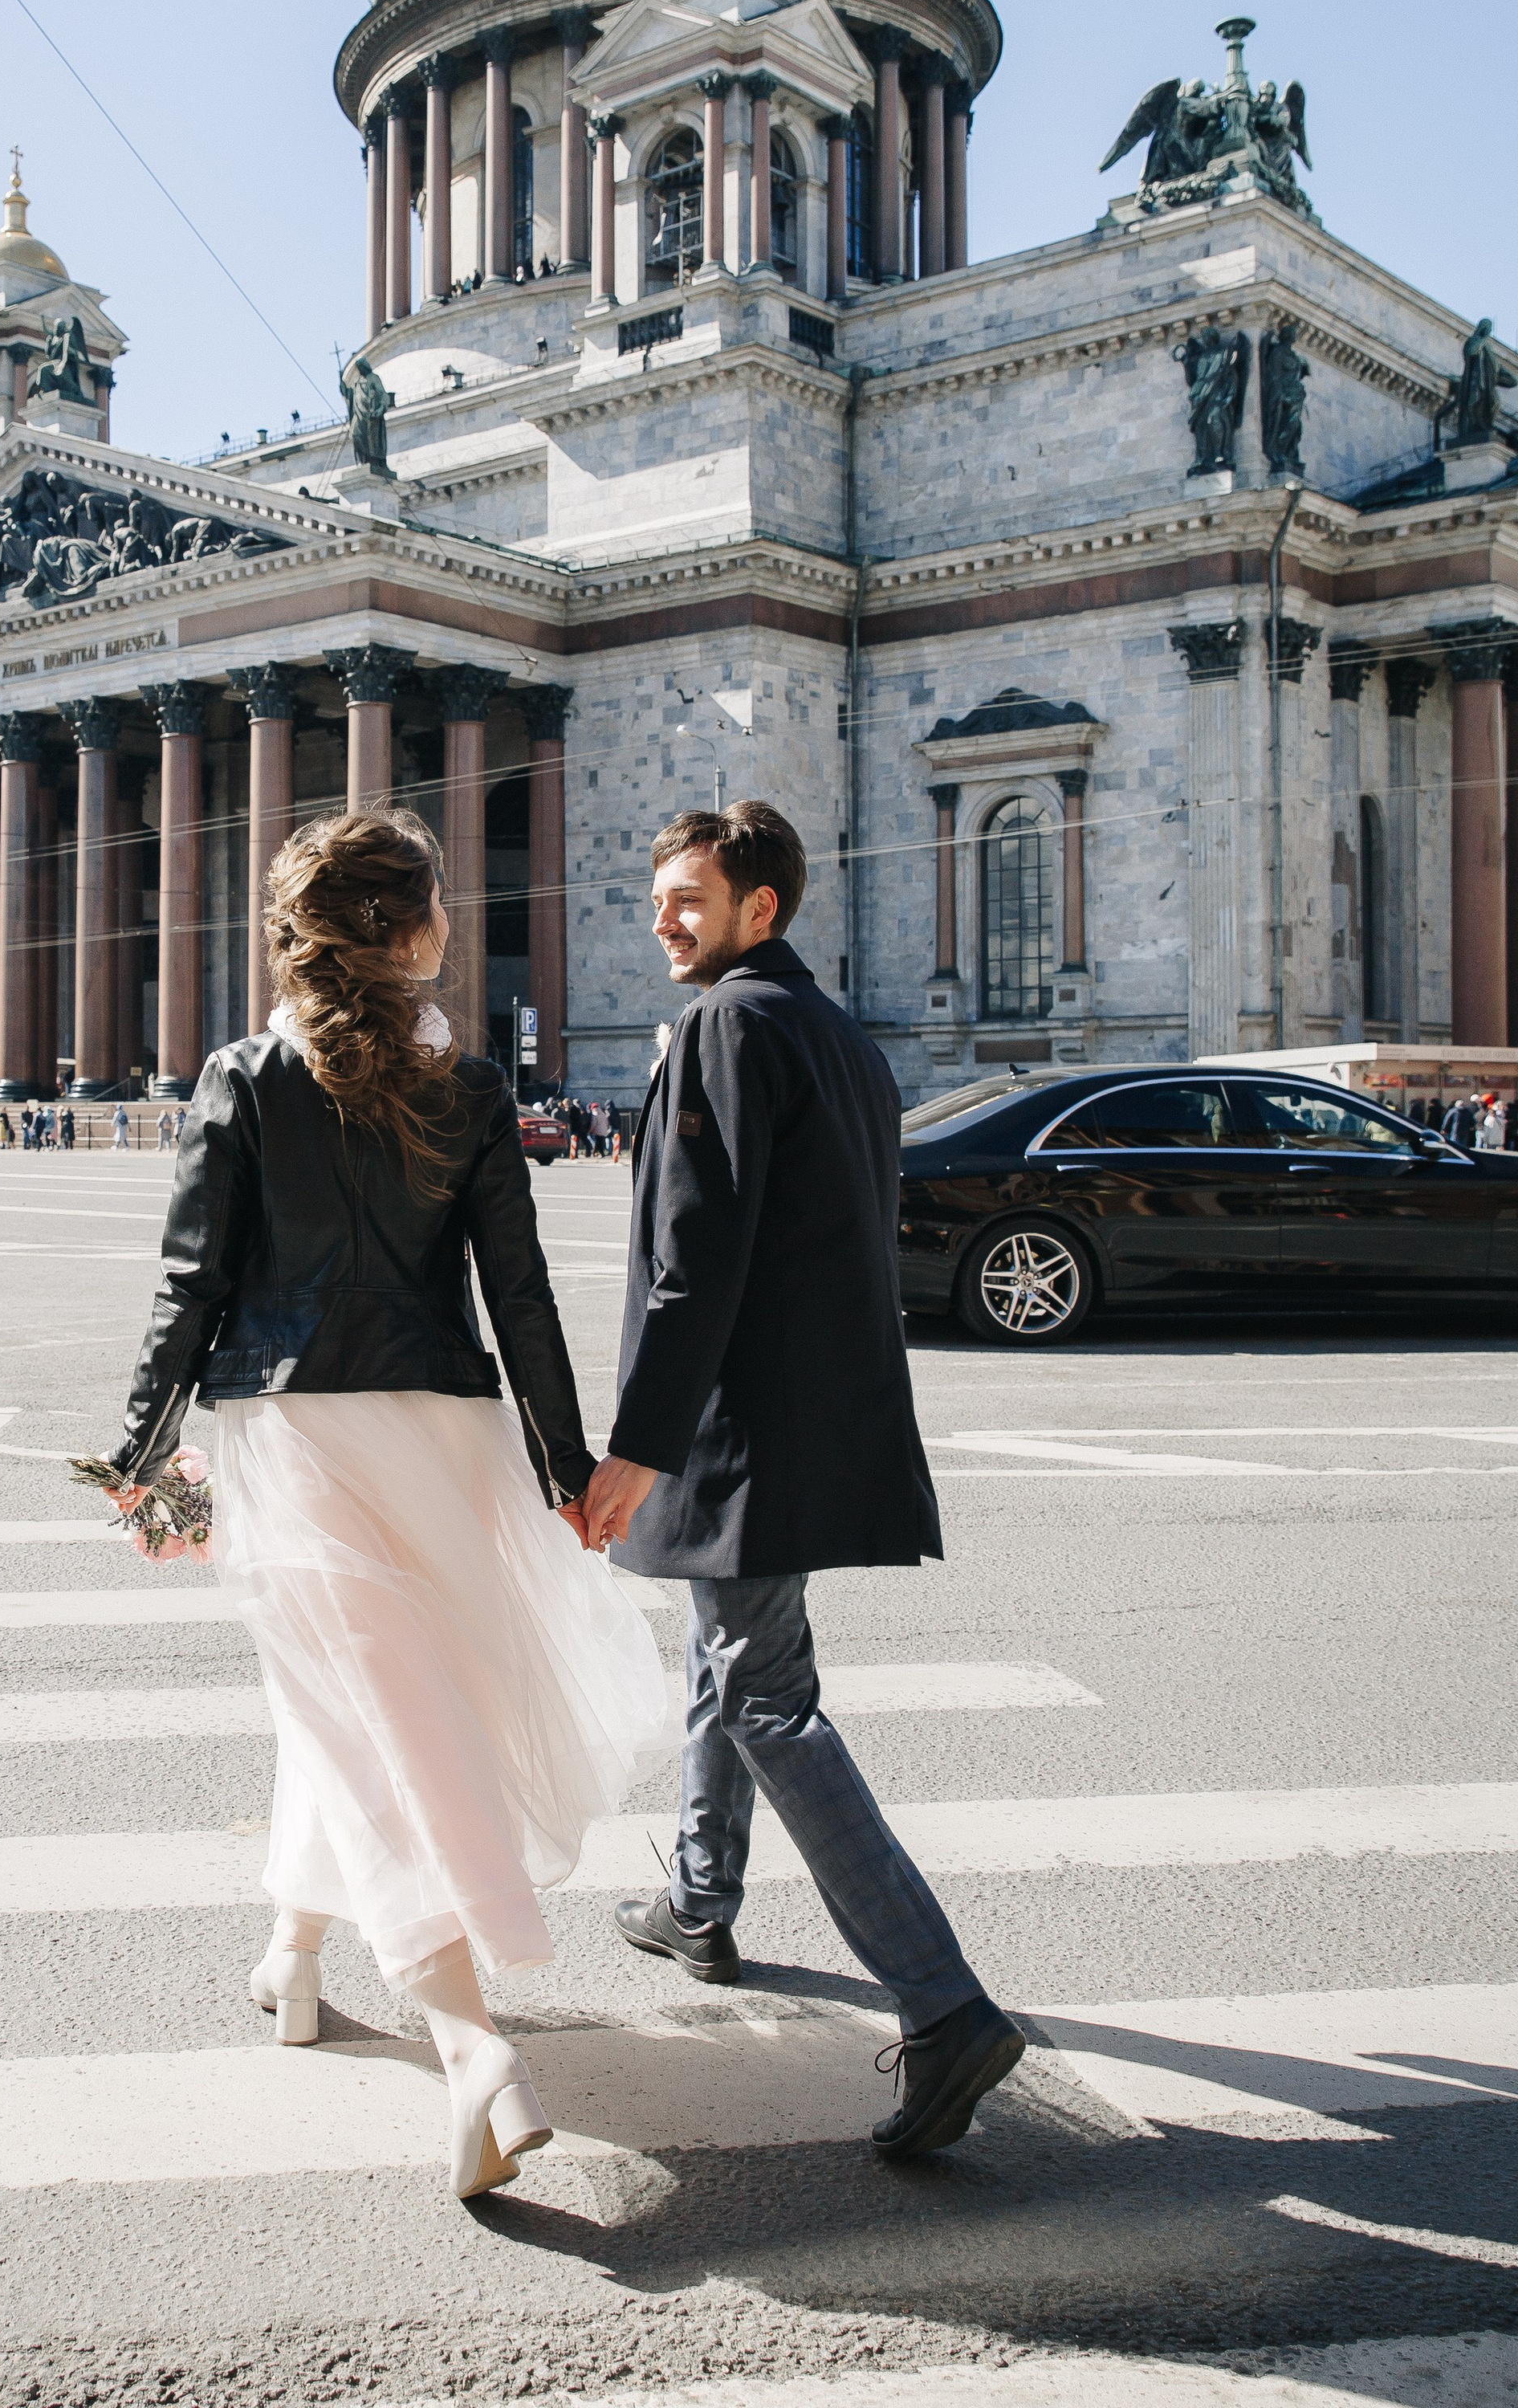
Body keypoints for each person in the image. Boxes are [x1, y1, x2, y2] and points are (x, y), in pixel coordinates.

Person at [102, 807, 669, 2202]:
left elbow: (191, 1284)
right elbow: (519, 1294)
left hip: (294, 1433)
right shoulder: (468, 1084)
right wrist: (565, 1465)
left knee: (368, 1723)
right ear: (413, 932)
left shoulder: (243, 1078)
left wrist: (138, 1451)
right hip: (444, 1431)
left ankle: (474, 2048)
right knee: (373, 1706)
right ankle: (294, 1957)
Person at [584, 801, 1025, 2162]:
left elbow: (693, 1257)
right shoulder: (839, 1034)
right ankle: (699, 1900)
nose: (663, 917)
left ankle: (942, 2002)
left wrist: (638, 1446)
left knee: (767, 1695)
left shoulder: (725, 1026)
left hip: (740, 1424)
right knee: (729, 1659)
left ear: (758, 907)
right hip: (821, 1412)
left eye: (690, 898)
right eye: (659, 894)